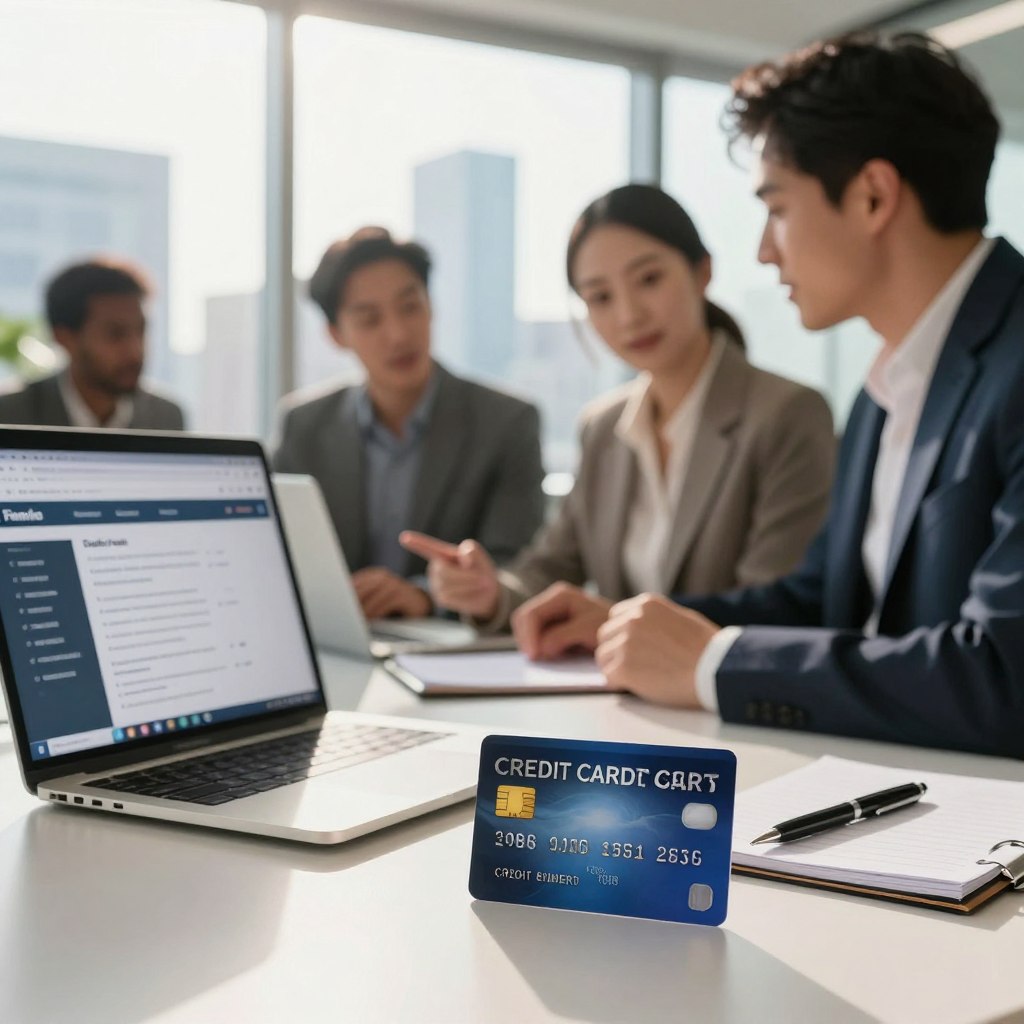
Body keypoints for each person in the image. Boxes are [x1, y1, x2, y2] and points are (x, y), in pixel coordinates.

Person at [513, 33, 1024, 759]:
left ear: (873, 195)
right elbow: (819, 601)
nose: (763, 250)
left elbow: (1006, 675)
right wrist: (633, 623)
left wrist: (713, 665)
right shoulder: (886, 390)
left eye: (776, 207)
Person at [401, 185, 835, 629]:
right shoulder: (603, 426)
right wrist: (491, 593)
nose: (629, 316)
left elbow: (775, 611)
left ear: (702, 271)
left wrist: (611, 623)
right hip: (616, 694)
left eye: (649, 280)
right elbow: (550, 569)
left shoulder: (787, 414)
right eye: (600, 297)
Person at [273, 227, 545, 621]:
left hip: (453, 649)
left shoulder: (506, 422)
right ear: (336, 335)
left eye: (410, 306)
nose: (399, 334)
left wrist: (426, 596)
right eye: (370, 319)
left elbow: (518, 567)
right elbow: (281, 558)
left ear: (431, 306)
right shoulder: (303, 425)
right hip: (337, 640)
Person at [0, 258, 185, 430]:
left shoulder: (165, 418)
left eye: (141, 331)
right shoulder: (11, 416)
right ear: (64, 338)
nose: (135, 351)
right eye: (115, 334)